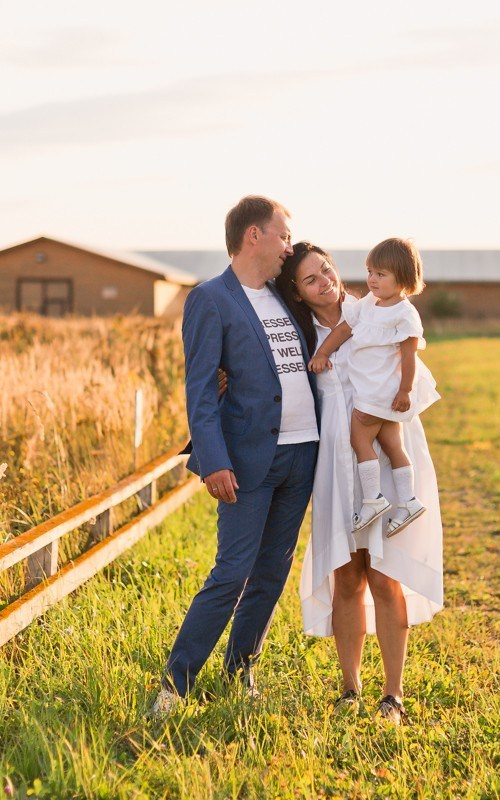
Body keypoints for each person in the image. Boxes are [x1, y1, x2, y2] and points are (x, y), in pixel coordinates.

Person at [150, 196, 319, 717]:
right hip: (247, 461)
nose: (290, 246)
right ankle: (174, 686)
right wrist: (214, 459)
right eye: (283, 235)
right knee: (232, 573)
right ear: (253, 235)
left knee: (271, 575)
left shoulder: (286, 295)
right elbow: (200, 388)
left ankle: (240, 670)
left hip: (303, 453)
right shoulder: (210, 299)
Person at [279, 242, 443, 725]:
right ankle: (350, 688)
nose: (325, 281)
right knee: (347, 575)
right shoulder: (299, 334)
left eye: (326, 270)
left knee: (384, 573)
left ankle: (393, 695)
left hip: (382, 451)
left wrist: (393, 418)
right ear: (297, 292)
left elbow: (415, 381)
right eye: (311, 279)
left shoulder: (375, 310)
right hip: (334, 457)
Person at [309, 238, 440, 538]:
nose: (372, 279)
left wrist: (405, 391)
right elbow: (344, 329)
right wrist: (323, 352)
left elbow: (409, 356)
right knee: (393, 445)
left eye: (381, 274)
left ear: (403, 278)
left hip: (376, 393)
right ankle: (408, 501)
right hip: (383, 394)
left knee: (359, 440)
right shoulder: (369, 303)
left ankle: (373, 499)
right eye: (370, 272)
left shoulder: (404, 314)